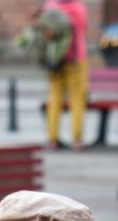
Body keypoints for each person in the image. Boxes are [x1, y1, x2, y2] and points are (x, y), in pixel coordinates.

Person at [41, 0, 89, 151]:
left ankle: (52, 138)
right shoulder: (78, 8)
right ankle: (77, 139)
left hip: (55, 60)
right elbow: (82, 29)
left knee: (54, 98)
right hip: (76, 59)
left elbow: (44, 33)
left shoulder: (49, 6)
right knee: (77, 100)